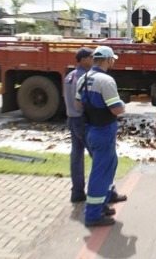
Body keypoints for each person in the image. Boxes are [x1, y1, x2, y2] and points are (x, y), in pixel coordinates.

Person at [76, 46, 126, 227]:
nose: (113, 62)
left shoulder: (83, 78)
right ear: (107, 60)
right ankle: (93, 214)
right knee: (100, 173)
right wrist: (122, 105)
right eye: (112, 59)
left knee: (109, 166)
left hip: (91, 129)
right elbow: (116, 109)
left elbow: (78, 104)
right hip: (104, 130)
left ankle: (103, 203)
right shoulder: (106, 81)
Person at [64, 47, 94, 203]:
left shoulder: (69, 76)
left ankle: (77, 192)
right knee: (97, 156)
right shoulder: (84, 78)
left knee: (76, 156)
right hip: (82, 120)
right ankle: (103, 192)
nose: (93, 59)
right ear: (83, 59)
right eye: (91, 56)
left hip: (72, 119)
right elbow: (83, 102)